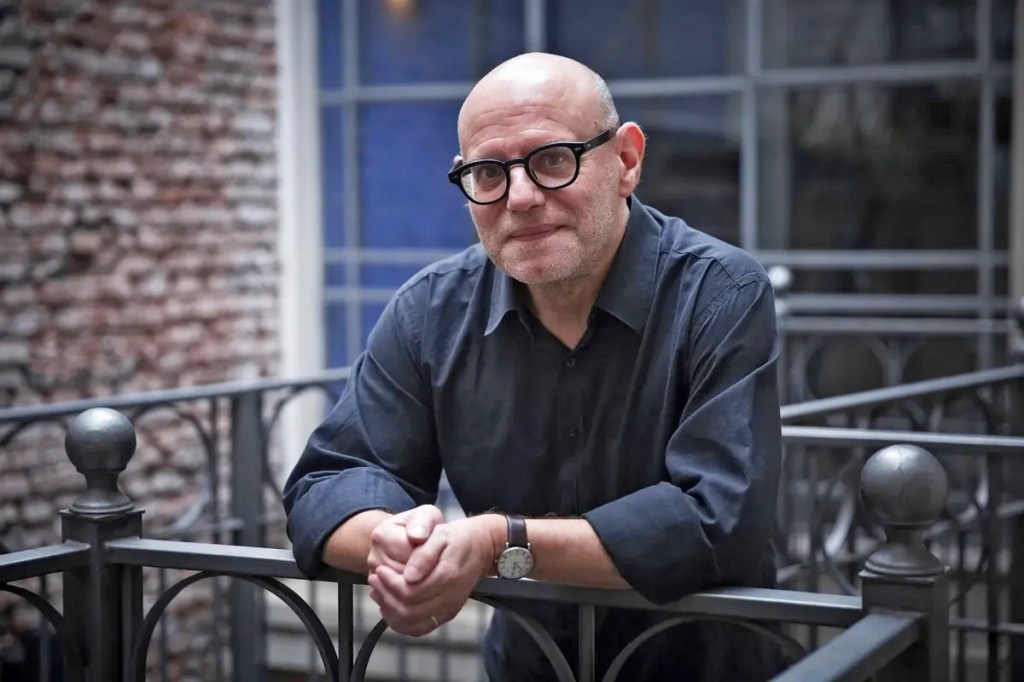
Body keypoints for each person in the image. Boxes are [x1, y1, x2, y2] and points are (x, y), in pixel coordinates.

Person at [284, 52, 784, 681]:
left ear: (626, 160)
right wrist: (398, 544)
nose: (519, 198)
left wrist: (500, 541)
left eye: (552, 160)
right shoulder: (429, 311)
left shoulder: (721, 292)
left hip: (706, 667)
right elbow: (326, 484)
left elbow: (719, 522)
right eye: (488, 172)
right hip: (526, 667)